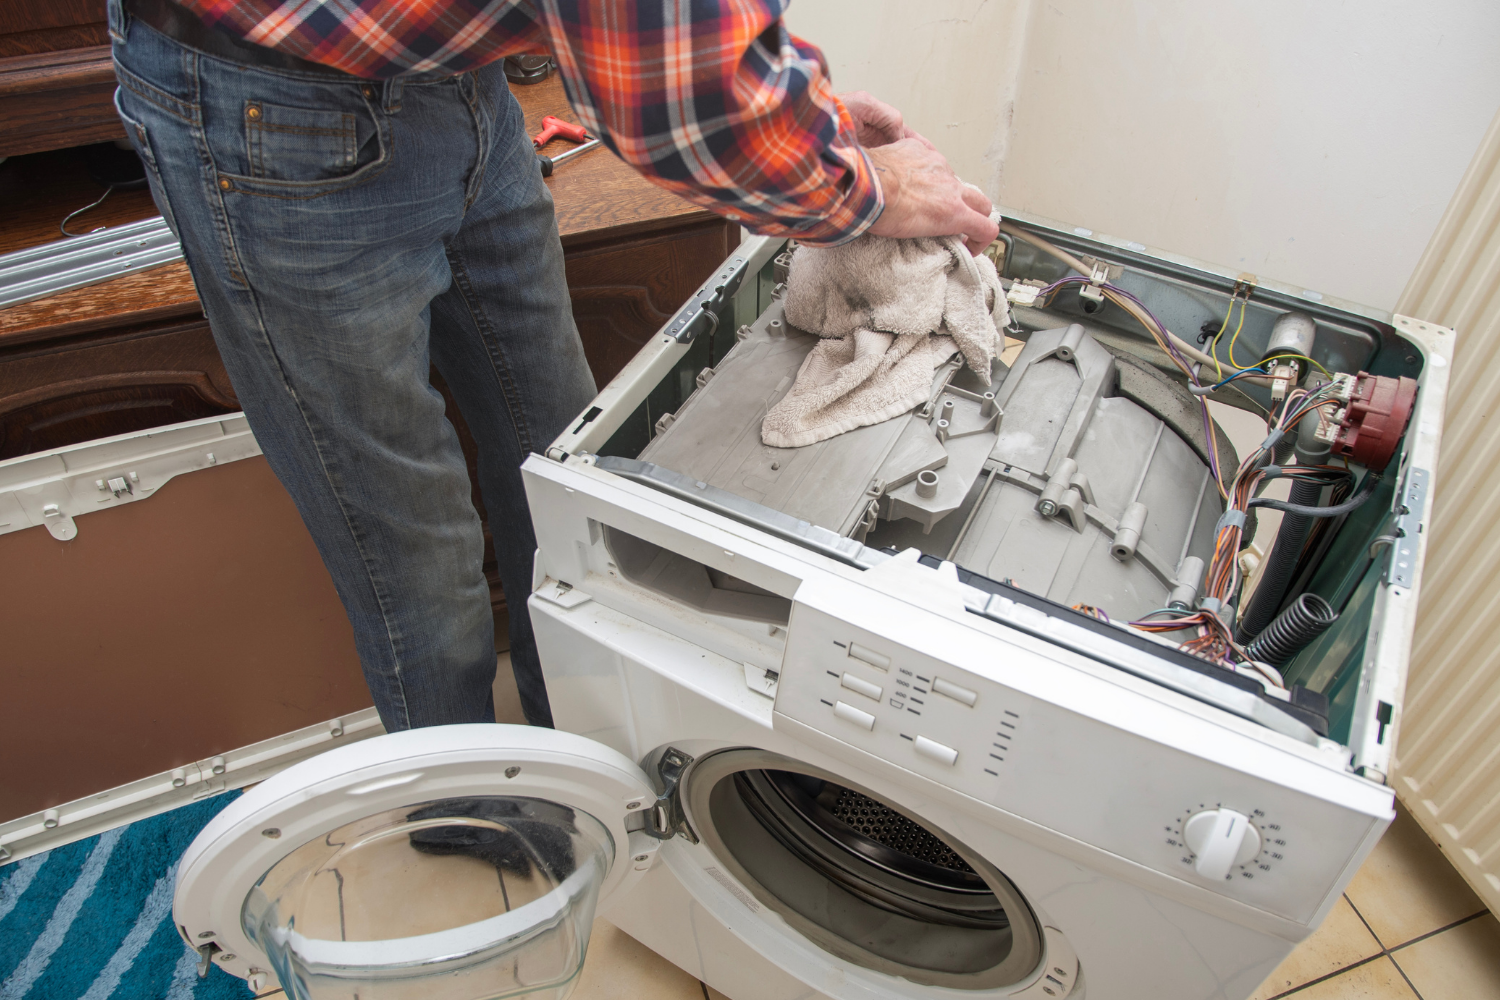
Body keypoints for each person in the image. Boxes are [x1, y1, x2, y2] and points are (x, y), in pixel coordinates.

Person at [106, 0, 999, 732]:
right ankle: (471, 816)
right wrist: (862, 190)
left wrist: (811, 126)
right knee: (409, 540)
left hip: (463, 86)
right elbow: (670, 85)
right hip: (271, 115)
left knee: (560, 461)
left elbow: (693, 37)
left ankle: (573, 743)